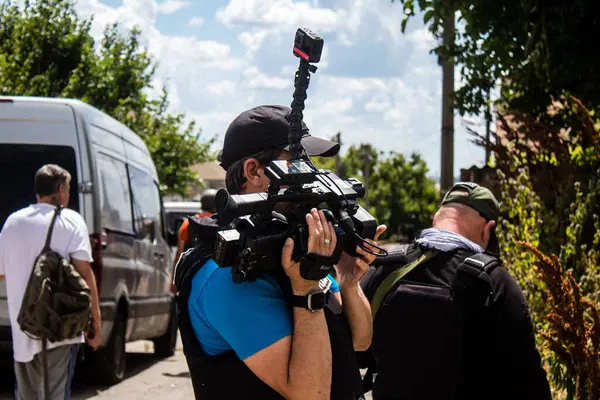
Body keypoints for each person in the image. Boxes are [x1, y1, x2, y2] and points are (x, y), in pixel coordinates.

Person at [174, 104, 386, 400]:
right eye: (297, 162)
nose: (311, 174)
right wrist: (307, 289)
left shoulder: (292, 243)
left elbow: (359, 342)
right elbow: (309, 394)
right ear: (254, 170)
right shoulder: (225, 271)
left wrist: (349, 283)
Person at [358, 182, 552, 400]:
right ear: (487, 230)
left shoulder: (385, 267)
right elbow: (528, 382)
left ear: (436, 220)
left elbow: (357, 354)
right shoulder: (495, 282)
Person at [0, 164, 101, 400]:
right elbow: (85, 273)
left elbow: (3, 272)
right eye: (67, 189)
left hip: (23, 327)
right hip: (61, 328)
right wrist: (94, 322)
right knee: (55, 393)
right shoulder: (71, 220)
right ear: (60, 189)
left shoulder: (12, 222)